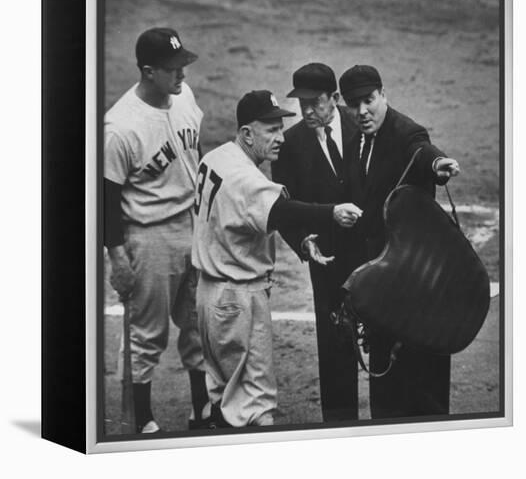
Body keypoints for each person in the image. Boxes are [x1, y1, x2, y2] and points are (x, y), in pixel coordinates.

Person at [192, 89, 362, 428]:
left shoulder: (218, 156)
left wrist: (302, 242)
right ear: (246, 134)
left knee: (226, 397)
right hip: (238, 300)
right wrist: (332, 212)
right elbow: (284, 211)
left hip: (208, 297)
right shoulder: (247, 179)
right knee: (256, 406)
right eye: (270, 129)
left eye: (280, 128)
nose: (281, 138)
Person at [339, 64, 460, 419]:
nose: (361, 111)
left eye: (368, 100)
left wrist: (438, 164)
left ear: (383, 95)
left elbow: (422, 151)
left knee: (423, 385)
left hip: (418, 287)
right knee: (387, 390)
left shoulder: (404, 131)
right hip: (384, 285)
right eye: (353, 104)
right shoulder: (358, 139)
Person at [104, 27, 209, 433]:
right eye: (173, 69)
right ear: (149, 72)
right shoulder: (119, 128)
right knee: (147, 333)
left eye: (183, 64)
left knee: (197, 322)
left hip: (191, 223)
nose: (182, 74)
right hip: (147, 236)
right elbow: (104, 198)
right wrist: (117, 257)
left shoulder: (184, 96)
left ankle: (201, 407)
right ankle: (143, 419)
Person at [270, 63, 359, 422]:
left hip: (373, 254)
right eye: (301, 102)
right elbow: (286, 207)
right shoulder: (290, 144)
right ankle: (340, 427)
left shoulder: (362, 127)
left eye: (315, 102)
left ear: (334, 99)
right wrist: (303, 242)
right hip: (328, 259)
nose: (307, 110)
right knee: (335, 345)